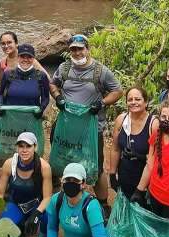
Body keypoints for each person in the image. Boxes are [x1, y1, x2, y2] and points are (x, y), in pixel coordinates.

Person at [49, 34, 122, 216]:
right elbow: (53, 84)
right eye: (73, 49)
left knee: (95, 167)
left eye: (80, 48)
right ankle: (58, 189)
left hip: (91, 128)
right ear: (69, 51)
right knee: (62, 156)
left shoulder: (100, 71)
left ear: (87, 49)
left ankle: (104, 204)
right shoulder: (64, 68)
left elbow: (118, 91)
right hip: (67, 124)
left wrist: (102, 103)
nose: (77, 52)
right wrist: (57, 97)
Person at [0, 132, 52, 237]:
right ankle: (20, 226)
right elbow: (0, 193)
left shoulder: (44, 167)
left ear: (35, 147)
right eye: (21, 146)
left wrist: (37, 213)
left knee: (49, 215)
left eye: (28, 146)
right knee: (3, 232)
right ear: (17, 148)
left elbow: (47, 197)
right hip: (16, 203)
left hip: (36, 204)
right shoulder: (9, 164)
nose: (24, 150)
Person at [109, 86, 158, 198]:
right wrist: (112, 174)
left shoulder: (153, 124)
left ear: (145, 102)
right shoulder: (121, 120)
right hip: (125, 176)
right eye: (130, 100)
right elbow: (115, 148)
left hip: (146, 182)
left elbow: (156, 158)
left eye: (137, 99)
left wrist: (140, 156)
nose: (133, 102)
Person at [0, 44, 50, 117]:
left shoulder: (41, 76)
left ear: (33, 59)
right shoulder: (8, 74)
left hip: (31, 119)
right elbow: (0, 93)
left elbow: (46, 98)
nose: (25, 60)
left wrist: (41, 109)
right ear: (18, 58)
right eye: (22, 56)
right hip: (10, 117)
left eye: (29, 57)